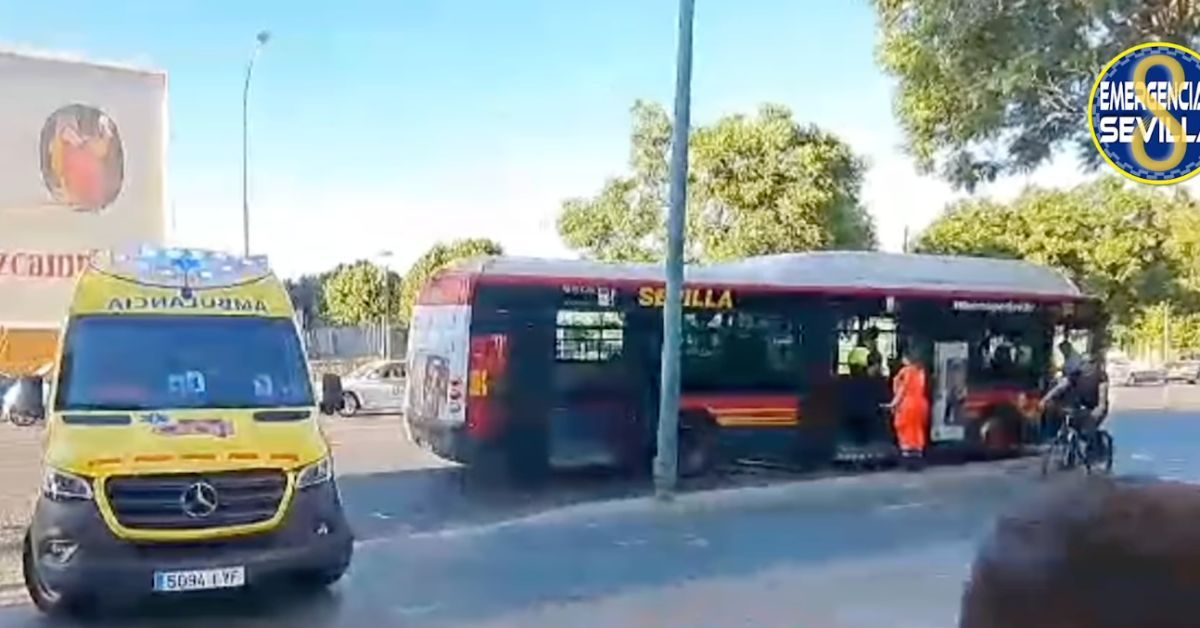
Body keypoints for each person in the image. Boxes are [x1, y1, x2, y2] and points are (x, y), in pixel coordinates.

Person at [1041, 352, 1109, 455]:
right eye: (1083, 363)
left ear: (1094, 365)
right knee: (1070, 425)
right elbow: (1060, 387)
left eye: (1089, 363)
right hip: (1080, 407)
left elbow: (1102, 397)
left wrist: (1100, 408)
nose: (1086, 366)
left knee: (1087, 430)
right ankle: (1070, 453)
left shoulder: (1101, 377)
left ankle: (1097, 449)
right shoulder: (1076, 375)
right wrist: (1045, 399)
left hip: (1095, 407)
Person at [888, 347, 930, 468]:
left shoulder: (906, 372)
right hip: (921, 403)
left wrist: (893, 404)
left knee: (905, 430)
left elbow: (902, 390)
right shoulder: (920, 371)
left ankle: (908, 460)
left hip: (907, 405)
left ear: (906, 358)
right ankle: (918, 458)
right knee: (917, 431)